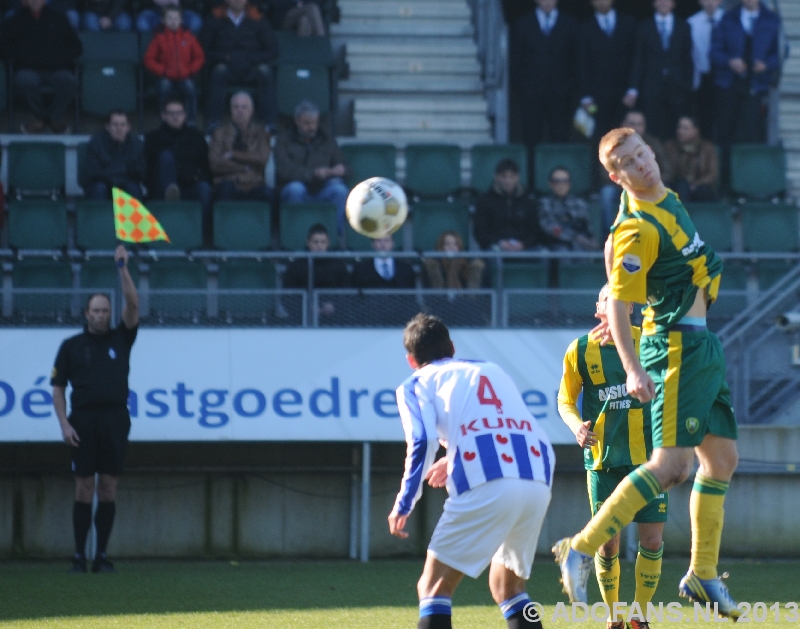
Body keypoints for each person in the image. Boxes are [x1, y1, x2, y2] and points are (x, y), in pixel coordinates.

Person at [553, 126, 741, 621]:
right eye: (630, 163)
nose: (643, 164)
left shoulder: (664, 198)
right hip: (676, 346)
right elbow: (618, 300)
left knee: (721, 460)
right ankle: (580, 547)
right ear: (617, 177)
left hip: (701, 346)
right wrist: (634, 367)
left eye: (643, 153)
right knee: (672, 467)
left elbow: (617, 261)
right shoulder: (636, 228)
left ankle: (702, 575)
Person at [389, 313, 555, 629]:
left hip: (489, 481)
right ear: (451, 347)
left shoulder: (415, 383)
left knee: (433, 588)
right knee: (509, 588)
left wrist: (404, 502)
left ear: (412, 361)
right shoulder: (491, 369)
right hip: (537, 474)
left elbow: (422, 441)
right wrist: (454, 457)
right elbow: (501, 424)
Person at [558, 284, 667, 629]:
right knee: (608, 546)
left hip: (649, 460)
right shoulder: (579, 350)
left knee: (652, 540)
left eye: (623, 301)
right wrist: (576, 426)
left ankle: (640, 615)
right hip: (603, 460)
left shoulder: (648, 341)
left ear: (632, 308)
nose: (618, 306)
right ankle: (614, 616)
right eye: (610, 301)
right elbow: (564, 400)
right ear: (598, 308)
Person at [51, 246, 138, 574]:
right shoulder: (71, 347)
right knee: (84, 486)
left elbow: (133, 304)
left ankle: (101, 555)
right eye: (95, 311)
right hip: (83, 421)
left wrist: (122, 267)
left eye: (105, 310)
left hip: (116, 419)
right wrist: (64, 424)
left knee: (109, 488)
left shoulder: (122, 338)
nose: (101, 315)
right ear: (86, 314)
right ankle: (78, 554)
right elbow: (57, 389)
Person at [0, 0, 82, 134]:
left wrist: (59, 58)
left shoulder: (58, 18)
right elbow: (3, 46)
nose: (35, 1)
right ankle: (41, 118)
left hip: (56, 68)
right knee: (24, 81)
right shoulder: (16, 19)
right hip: (28, 68)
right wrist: (22, 57)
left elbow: (77, 47)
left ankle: (51, 118)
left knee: (70, 82)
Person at [510, 0, 578, 153]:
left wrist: (569, 87)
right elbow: (516, 60)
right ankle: (532, 176)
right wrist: (523, 87)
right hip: (531, 93)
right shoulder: (523, 23)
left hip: (560, 93)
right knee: (531, 137)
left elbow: (575, 59)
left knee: (560, 137)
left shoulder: (569, 23)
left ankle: (560, 175)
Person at [711, 0, 781, 148]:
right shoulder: (727, 18)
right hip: (728, 84)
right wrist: (730, 62)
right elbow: (714, 51)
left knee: (749, 130)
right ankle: (725, 169)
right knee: (725, 129)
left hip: (756, 85)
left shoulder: (772, 19)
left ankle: (744, 169)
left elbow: (780, 52)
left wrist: (766, 65)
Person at [199, 0, 279, 131]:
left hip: (251, 68)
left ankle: (269, 124)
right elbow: (203, 49)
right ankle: (212, 123)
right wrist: (224, 57)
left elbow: (272, 50)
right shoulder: (215, 17)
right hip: (226, 66)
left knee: (266, 72)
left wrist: (252, 59)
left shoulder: (257, 17)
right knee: (218, 71)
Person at [276, 100, 349, 238]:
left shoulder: (327, 140)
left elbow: (344, 165)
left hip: (322, 189)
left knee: (340, 191)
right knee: (295, 189)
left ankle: (335, 238)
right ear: (297, 120)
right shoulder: (283, 140)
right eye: (307, 123)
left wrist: (341, 169)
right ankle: (296, 237)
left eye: (314, 123)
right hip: (295, 188)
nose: (312, 127)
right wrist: (313, 174)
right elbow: (284, 170)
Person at [144, 98, 212, 243]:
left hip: (189, 186)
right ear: (163, 115)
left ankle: (203, 235)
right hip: (160, 189)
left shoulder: (196, 137)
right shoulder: (153, 138)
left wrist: (198, 179)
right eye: (171, 113)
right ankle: (171, 192)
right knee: (166, 156)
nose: (175, 116)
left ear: (185, 115)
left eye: (179, 113)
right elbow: (146, 169)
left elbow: (206, 167)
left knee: (204, 189)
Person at [623, 0, 693, 140]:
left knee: (676, 126)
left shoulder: (683, 26)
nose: (663, 3)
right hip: (651, 87)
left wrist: (687, 84)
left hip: (677, 87)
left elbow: (687, 59)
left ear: (674, 4)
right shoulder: (644, 27)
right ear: (653, 4)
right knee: (652, 126)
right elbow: (638, 60)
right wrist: (633, 88)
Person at [598, 111, 672, 235]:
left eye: (639, 124)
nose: (636, 127)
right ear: (623, 124)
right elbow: (604, 173)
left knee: (667, 191)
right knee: (606, 193)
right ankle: (608, 233)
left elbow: (667, 171)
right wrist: (630, 182)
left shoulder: (653, 143)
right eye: (632, 123)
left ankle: (664, 231)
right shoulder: (611, 145)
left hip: (648, 184)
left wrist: (649, 179)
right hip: (621, 185)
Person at [578, 0, 637, 143]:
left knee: (625, 136)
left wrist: (633, 89)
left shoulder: (628, 23)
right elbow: (581, 63)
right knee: (599, 136)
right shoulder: (585, 27)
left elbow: (636, 58)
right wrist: (585, 96)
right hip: (596, 98)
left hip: (625, 95)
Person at [142, 5, 205, 125]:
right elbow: (148, 59)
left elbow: (199, 57)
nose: (173, 21)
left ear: (181, 21)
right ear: (163, 20)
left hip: (185, 75)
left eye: (176, 18)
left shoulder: (188, 36)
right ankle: (165, 120)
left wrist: (191, 70)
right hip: (166, 76)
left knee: (190, 89)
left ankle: (190, 121)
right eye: (170, 18)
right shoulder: (159, 37)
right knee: (164, 88)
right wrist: (163, 71)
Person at [209, 91, 273, 202]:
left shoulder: (261, 134)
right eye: (236, 107)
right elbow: (215, 164)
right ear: (230, 110)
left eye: (244, 107)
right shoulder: (218, 133)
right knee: (225, 190)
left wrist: (233, 155)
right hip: (227, 182)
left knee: (269, 194)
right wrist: (246, 167)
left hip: (254, 183)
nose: (240, 111)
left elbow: (262, 159)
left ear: (251, 111)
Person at [473, 158, 543, 252]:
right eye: (503, 176)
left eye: (511, 176)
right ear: (496, 177)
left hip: (524, 247)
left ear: (517, 177)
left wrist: (524, 244)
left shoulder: (528, 202)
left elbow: (535, 231)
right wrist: (499, 242)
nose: (507, 180)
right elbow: (479, 231)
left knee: (542, 253)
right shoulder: (484, 201)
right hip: (496, 246)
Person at [283, 223, 348, 319]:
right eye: (315, 242)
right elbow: (288, 295)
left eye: (323, 242)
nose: (319, 246)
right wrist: (307, 308)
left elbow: (347, 292)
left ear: (328, 243)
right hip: (302, 320)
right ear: (308, 243)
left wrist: (334, 305)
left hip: (334, 319)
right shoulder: (296, 266)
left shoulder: (338, 265)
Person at [84, 110, 146, 200]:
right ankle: (99, 214)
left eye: (122, 124)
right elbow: (93, 172)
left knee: (133, 188)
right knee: (99, 188)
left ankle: (135, 214)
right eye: (115, 124)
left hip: (126, 184)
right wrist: (122, 172)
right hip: (103, 183)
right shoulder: (96, 143)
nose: (119, 128)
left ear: (128, 127)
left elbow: (140, 172)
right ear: (107, 127)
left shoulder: (137, 144)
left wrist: (113, 172)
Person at [687, 0, 724, 140]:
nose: (710, 3)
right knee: (704, 115)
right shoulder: (692, 22)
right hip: (702, 76)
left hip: (723, 76)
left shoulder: (728, 19)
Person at [538, 166, 599, 252]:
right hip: (554, 245)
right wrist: (575, 237)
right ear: (550, 184)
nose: (561, 185)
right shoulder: (544, 203)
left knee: (581, 252)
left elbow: (587, 227)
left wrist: (590, 240)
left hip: (579, 246)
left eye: (565, 182)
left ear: (569, 184)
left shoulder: (579, 204)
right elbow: (550, 228)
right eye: (557, 182)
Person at [664, 116, 718, 202]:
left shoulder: (707, 148)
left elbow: (712, 173)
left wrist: (695, 185)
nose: (680, 131)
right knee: (681, 186)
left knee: (703, 191)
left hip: (699, 186)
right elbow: (668, 171)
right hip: (677, 186)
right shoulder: (670, 147)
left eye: (685, 128)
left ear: (695, 130)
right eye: (679, 127)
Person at [136, 0, 203, 34]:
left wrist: (179, 1)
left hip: (180, 12)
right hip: (156, 12)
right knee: (142, 22)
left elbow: (194, 2)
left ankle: (184, 50)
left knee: (195, 21)